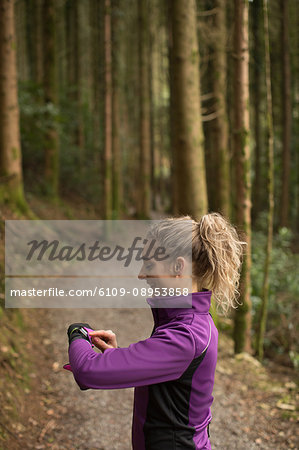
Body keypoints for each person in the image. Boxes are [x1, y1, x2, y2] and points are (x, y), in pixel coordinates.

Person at [64, 213, 246, 449]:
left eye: (149, 264)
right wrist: (116, 356)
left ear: (178, 267)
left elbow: (87, 371)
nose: (141, 274)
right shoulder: (189, 320)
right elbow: (168, 381)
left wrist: (77, 332)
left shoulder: (186, 334)